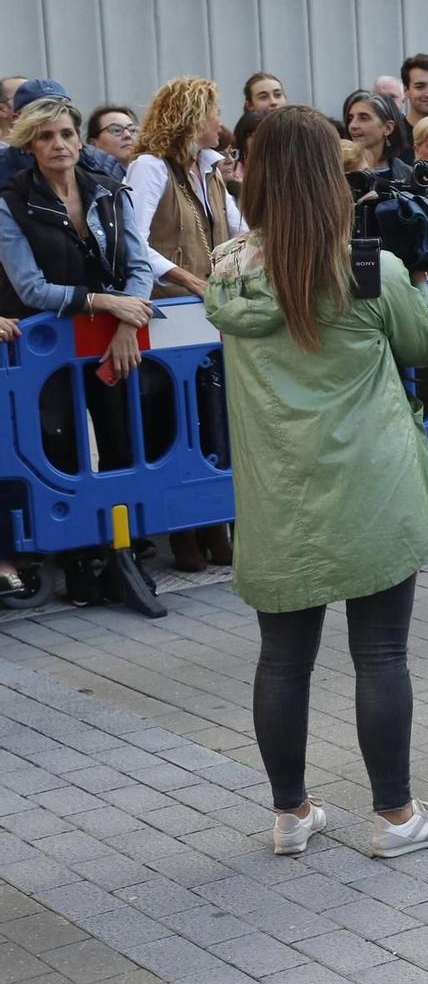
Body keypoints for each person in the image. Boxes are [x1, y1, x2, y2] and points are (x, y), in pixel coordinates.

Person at [203, 105, 428, 860]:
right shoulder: (364, 267)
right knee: (381, 654)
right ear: (329, 175)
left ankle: (290, 814)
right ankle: (394, 816)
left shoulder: (227, 270)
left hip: (276, 485)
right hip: (370, 481)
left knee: (282, 659)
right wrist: (417, 280)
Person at [0, 97, 156, 602]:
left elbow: (139, 265)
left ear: (79, 139)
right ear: (29, 144)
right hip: (47, 349)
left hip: (114, 338)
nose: (59, 145)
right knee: (60, 447)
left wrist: (128, 320)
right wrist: (107, 302)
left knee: (120, 441)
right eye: (45, 137)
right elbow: (31, 288)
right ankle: (79, 562)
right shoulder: (11, 201)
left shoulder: (110, 190)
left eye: (66, 134)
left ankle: (124, 551)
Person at [128, 76, 246, 571]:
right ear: (193, 117)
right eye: (214, 112)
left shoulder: (213, 172)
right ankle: (183, 531)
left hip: (210, 313)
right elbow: (132, 241)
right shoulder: (150, 167)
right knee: (178, 422)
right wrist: (187, 278)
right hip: (172, 314)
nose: (221, 123)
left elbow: (241, 230)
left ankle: (215, 523)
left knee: (216, 419)